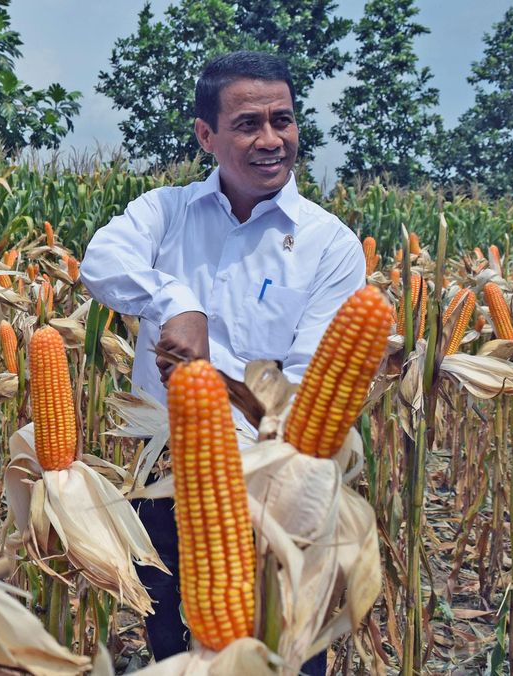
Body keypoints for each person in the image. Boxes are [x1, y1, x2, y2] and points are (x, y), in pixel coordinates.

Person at [80, 51, 365, 674]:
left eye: (283, 120)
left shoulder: (330, 245)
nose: (271, 139)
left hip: (276, 492)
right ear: (206, 134)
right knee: (175, 648)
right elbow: (100, 262)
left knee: (284, 655)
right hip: (167, 480)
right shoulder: (164, 212)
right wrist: (177, 302)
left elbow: (306, 387)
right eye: (248, 124)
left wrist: (209, 380)